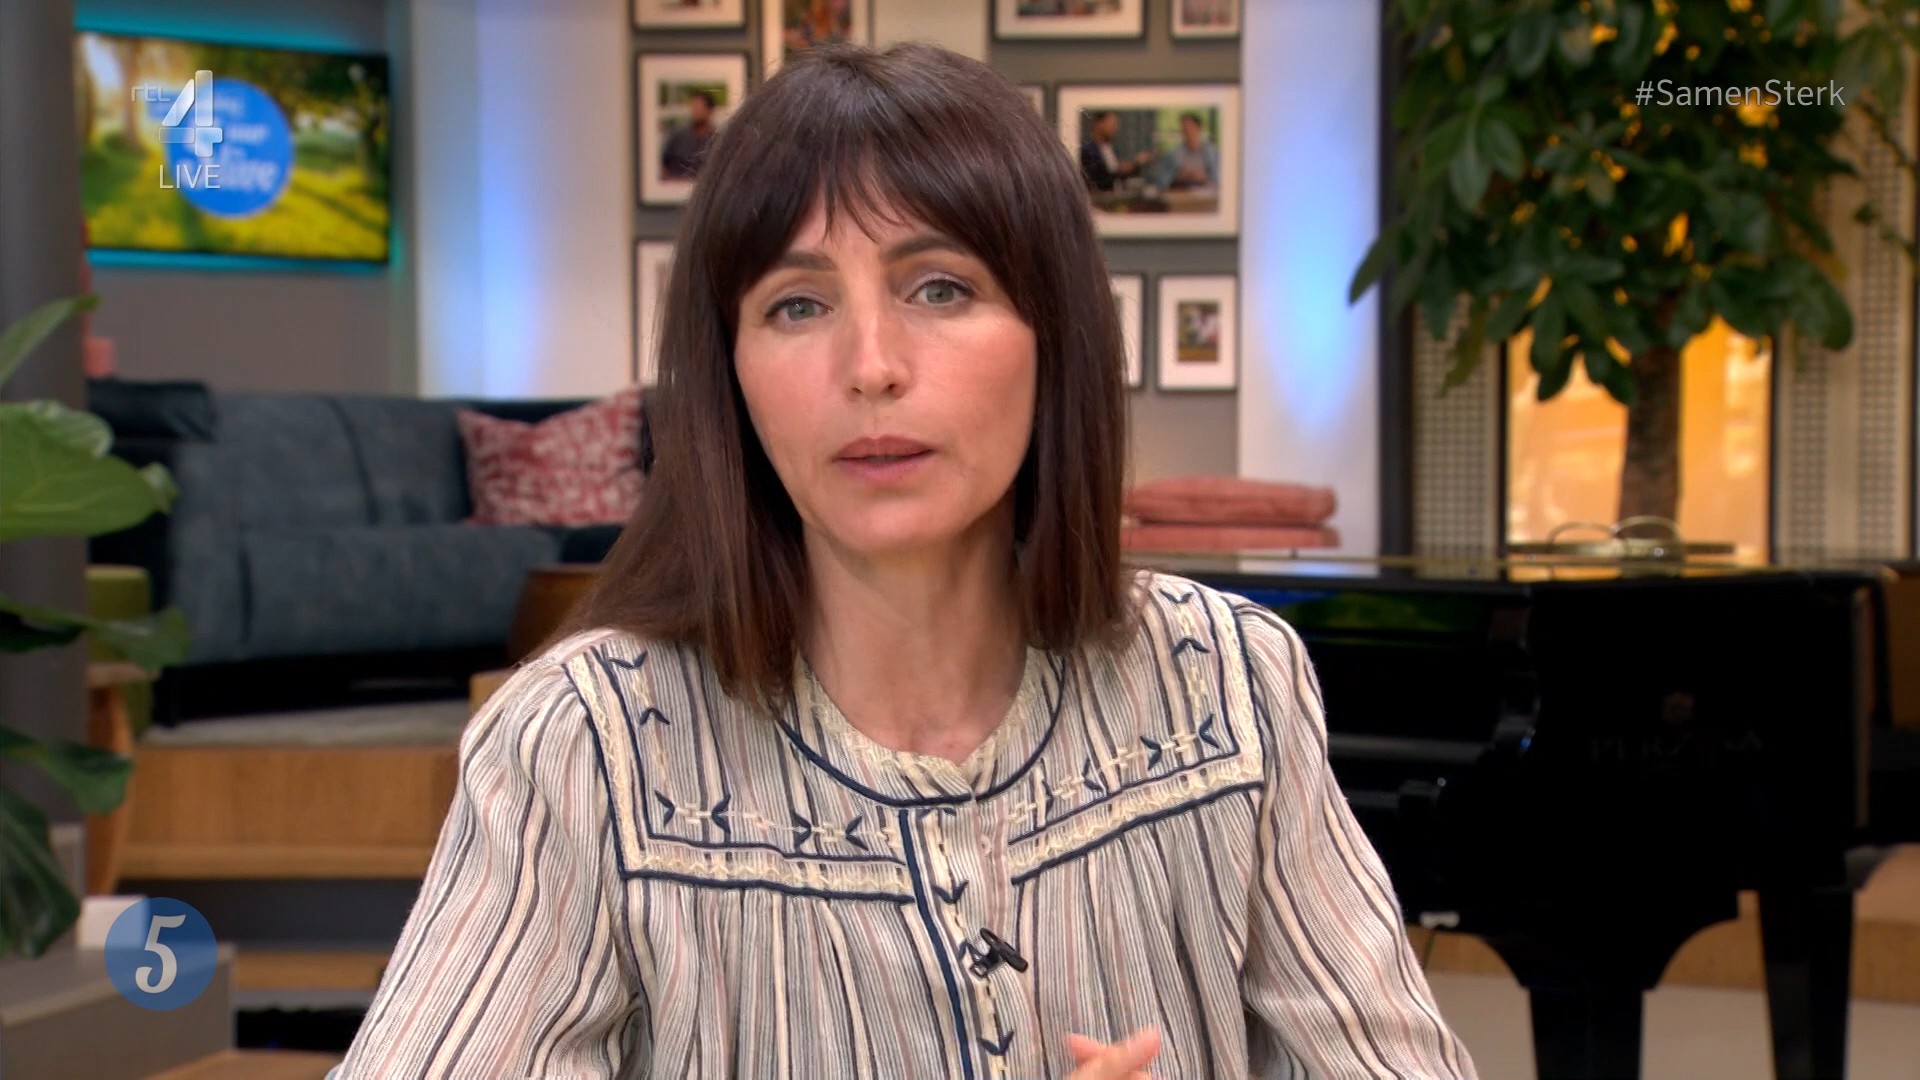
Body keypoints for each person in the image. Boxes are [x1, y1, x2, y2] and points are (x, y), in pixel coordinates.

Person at [329, 42, 1477, 1080]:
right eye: (797, 305)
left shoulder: (1230, 683)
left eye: (941, 288)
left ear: (1055, 338)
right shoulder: (585, 751)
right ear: (729, 376)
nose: (871, 364)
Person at [1078, 109, 1156, 193]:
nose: (1115, 128)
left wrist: (1136, 164)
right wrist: (1135, 163)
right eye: (1112, 124)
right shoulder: (1088, 152)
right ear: (1099, 124)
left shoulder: (1112, 149)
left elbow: (1118, 173)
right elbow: (1104, 178)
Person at [1151, 112, 1219, 191]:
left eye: (1190, 127)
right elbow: (1161, 180)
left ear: (1198, 128)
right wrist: (1180, 177)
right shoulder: (1173, 154)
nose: (1187, 131)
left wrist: (1204, 176)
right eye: (1184, 128)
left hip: (1207, 192)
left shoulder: (1212, 153)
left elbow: (1219, 178)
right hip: (1181, 192)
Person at [661, 90, 718, 180]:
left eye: (699, 108)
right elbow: (664, 164)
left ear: (710, 110)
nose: (695, 111)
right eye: (693, 107)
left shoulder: (718, 139)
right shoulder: (678, 136)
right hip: (677, 184)